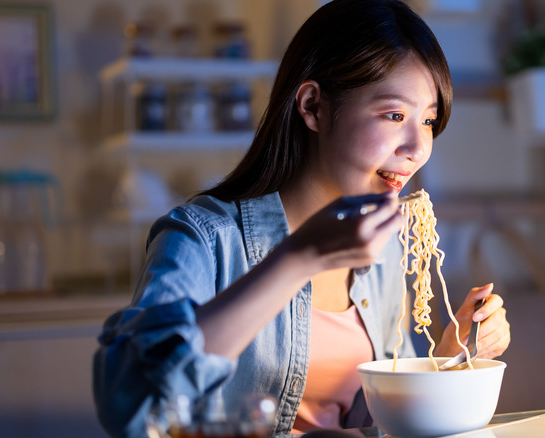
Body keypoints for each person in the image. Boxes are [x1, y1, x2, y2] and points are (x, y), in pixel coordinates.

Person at [93, 0, 511, 436]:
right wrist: (297, 258)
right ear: (313, 107)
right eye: (393, 115)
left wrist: (449, 357)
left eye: (428, 120)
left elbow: (384, 424)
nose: (418, 147)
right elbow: (134, 407)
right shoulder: (203, 237)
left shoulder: (383, 247)